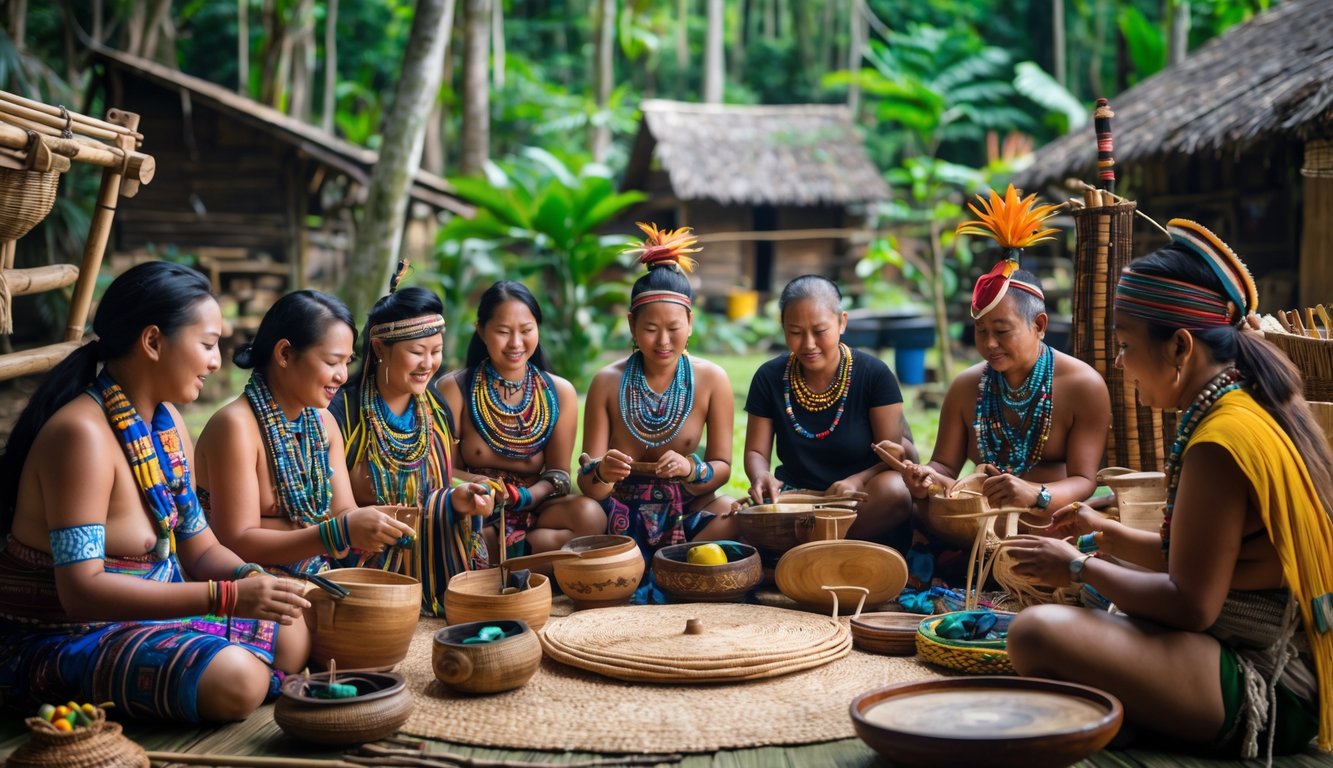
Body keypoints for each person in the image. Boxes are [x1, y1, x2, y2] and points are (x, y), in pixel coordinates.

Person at [1003, 220, 1333, 760]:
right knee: (1099, 591)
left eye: (1127, 343)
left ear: (1180, 346)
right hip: (1257, 653)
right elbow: (1201, 563)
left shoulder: (1221, 441)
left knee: (1035, 633)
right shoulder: (1243, 407)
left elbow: (1191, 605)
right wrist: (1100, 534)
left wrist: (1077, 566)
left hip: (1272, 685)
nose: (1118, 362)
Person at [0, 262, 309, 723]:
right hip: (64, 635)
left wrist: (250, 576)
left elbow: (199, 547)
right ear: (152, 341)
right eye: (207, 345)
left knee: (294, 630)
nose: (216, 361)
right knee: (238, 681)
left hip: (144, 620)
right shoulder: (81, 436)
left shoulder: (167, 427)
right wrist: (225, 598)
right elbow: (81, 594)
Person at [195, 290, 491, 579]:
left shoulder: (322, 423)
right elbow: (234, 541)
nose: (342, 376)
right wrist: (338, 531)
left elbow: (343, 513)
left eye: (346, 362)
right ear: (285, 353)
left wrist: (377, 524)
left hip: (317, 574)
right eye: (331, 361)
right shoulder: (236, 426)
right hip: (248, 580)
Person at [891, 186, 1109, 539]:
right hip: (975, 521)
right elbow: (945, 466)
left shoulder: (1082, 385)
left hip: (1045, 521)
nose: (989, 343)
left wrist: (1035, 495)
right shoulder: (967, 386)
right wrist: (925, 479)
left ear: (1039, 326)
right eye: (980, 331)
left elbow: (1085, 480)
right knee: (915, 509)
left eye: (1002, 330)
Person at [329, 269, 494, 614]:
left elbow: (439, 483)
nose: (429, 363)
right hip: (364, 570)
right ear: (379, 348)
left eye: (436, 351)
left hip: (435, 565)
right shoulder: (342, 413)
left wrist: (460, 499)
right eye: (417, 351)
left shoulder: (437, 410)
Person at [579, 223, 738, 562]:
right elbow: (588, 484)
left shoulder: (712, 379)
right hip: (616, 516)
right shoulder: (606, 382)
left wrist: (691, 469)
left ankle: (669, 563)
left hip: (688, 509)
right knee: (580, 514)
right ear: (631, 325)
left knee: (730, 512)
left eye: (674, 328)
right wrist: (603, 472)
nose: (663, 341)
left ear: (691, 323)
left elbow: (723, 465)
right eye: (650, 329)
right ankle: (661, 566)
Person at [437, 280, 605, 560]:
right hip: (478, 509)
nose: (516, 343)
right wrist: (478, 485)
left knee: (590, 516)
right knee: (465, 537)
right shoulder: (454, 388)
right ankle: (529, 557)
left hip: (536, 507)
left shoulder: (559, 392)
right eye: (503, 332)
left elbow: (559, 476)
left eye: (526, 330)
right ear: (481, 330)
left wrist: (523, 497)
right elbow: (443, 470)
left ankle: (510, 558)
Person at [743, 274, 915, 545]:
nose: (808, 344)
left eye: (820, 331)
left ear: (842, 322)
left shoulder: (874, 375)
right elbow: (755, 451)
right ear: (783, 328)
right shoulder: (769, 377)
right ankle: (819, 551)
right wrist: (760, 475)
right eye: (795, 332)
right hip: (798, 501)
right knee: (737, 518)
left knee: (895, 491)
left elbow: (891, 457)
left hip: (860, 503)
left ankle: (814, 550)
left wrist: (857, 481)